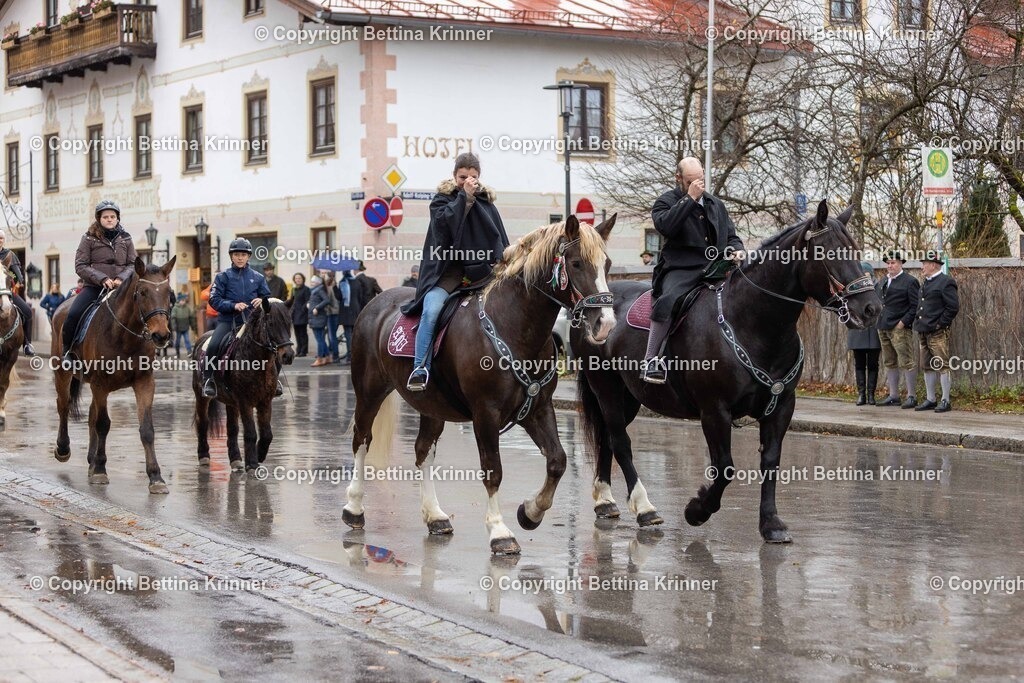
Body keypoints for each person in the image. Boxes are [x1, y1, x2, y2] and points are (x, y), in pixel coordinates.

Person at [402, 152, 509, 391]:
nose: (468, 181)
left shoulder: (486, 203)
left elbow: (498, 237)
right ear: (454, 176)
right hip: (447, 274)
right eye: (462, 177)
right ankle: (420, 368)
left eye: (473, 177)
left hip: (482, 274)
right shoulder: (441, 201)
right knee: (431, 311)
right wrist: (464, 197)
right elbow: (443, 227)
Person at [644, 157, 744, 384]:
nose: (698, 185)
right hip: (681, 268)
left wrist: (737, 250)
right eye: (691, 181)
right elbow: (667, 227)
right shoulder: (665, 202)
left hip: (716, 268)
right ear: (678, 178)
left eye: (700, 179)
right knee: (668, 300)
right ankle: (651, 360)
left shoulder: (716, 204)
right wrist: (689, 198)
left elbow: (731, 236)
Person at [63, 200, 138, 359]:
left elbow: (133, 264)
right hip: (94, 287)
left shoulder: (126, 238)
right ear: (99, 219)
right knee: (73, 314)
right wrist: (102, 278)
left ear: (117, 218)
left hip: (122, 288)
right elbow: (80, 265)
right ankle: (68, 352)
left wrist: (121, 278)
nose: (109, 219)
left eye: (112, 216)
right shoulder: (88, 238)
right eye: (105, 217)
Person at [202, 238, 272, 398]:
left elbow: (268, 298)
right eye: (236, 255)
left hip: (254, 322)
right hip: (228, 321)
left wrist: (262, 300)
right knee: (213, 345)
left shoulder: (258, 277)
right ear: (231, 256)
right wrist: (233, 305)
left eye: (243, 255)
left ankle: (274, 381)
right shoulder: (222, 277)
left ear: (248, 256)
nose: (240, 258)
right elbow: (214, 300)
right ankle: (208, 380)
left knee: (274, 344)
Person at [913, 251, 959, 413]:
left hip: (937, 332)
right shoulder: (926, 282)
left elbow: (953, 307)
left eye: (924, 264)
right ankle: (931, 399)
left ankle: (946, 400)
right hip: (923, 330)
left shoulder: (946, 282)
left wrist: (940, 324)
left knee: (942, 365)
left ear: (933, 265)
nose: (922, 267)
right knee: (927, 365)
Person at [875, 249, 920, 408]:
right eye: (888, 263)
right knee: (889, 361)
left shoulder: (910, 281)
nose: (890, 265)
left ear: (901, 263)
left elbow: (915, 306)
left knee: (907, 361)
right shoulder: (882, 281)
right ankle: (894, 396)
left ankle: (912, 396)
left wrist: (903, 323)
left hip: (899, 328)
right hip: (882, 326)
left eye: (893, 262)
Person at [847, 261, 881, 405]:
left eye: (866, 274)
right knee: (859, 364)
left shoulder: (879, 287)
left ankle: (871, 394)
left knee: (873, 364)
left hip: (874, 330)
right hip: (858, 330)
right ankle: (861, 394)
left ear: (871, 274)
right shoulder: (853, 288)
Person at [0, 229, 36, 355]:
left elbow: (19, 277)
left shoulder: (9, 255)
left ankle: (27, 344)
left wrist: (11, 279)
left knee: (28, 312)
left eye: (1, 238)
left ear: (4, 240)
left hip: (6, 292)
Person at [336, 270, 360, 364]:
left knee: (348, 334)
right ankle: (356, 355)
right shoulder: (356, 282)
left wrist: (335, 286)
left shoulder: (342, 282)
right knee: (355, 334)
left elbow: (339, 297)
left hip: (346, 311)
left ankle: (350, 356)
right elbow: (360, 296)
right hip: (356, 309)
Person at [307, 275, 332, 366]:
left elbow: (327, 300)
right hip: (315, 318)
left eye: (313, 282)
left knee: (319, 339)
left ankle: (320, 359)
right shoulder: (314, 291)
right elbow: (315, 300)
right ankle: (328, 357)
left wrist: (317, 308)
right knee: (321, 339)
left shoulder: (319, 290)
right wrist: (309, 303)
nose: (311, 283)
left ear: (318, 283)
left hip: (318, 318)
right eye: (311, 282)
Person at [286, 272, 310, 357]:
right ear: (294, 280)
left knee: (303, 333)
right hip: (294, 314)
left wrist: (303, 309)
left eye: (299, 278)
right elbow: (291, 300)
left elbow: (308, 300)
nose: (298, 280)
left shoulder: (306, 289)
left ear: (303, 279)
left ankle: (304, 351)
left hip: (302, 314)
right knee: (297, 333)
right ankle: (298, 350)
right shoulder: (294, 289)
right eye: (296, 278)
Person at [320, 270, 341, 362]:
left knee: (332, 335)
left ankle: (335, 355)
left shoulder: (330, 287)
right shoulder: (332, 286)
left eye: (324, 274)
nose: (323, 276)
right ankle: (331, 352)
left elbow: (329, 301)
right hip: (333, 313)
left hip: (332, 313)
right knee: (331, 335)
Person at [170, 293, 197, 357]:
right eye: (182, 300)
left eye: (184, 300)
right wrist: (174, 326)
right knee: (177, 341)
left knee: (187, 340)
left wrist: (193, 326)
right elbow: (173, 318)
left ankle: (189, 352)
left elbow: (191, 318)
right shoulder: (175, 308)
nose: (183, 302)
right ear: (179, 301)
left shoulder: (187, 308)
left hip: (185, 327)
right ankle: (177, 352)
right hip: (178, 328)